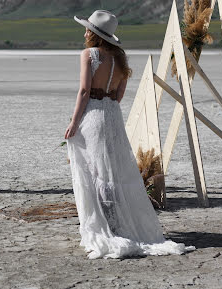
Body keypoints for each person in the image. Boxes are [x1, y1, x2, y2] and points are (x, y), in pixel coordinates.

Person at [65, 10, 195, 259]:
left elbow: (83, 91)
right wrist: (107, 105)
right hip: (112, 115)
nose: (84, 33)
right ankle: (118, 223)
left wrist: (74, 122)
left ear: (95, 35)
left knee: (96, 171)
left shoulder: (89, 55)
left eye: (87, 30)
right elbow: (119, 94)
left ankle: (108, 226)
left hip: (93, 113)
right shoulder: (120, 59)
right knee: (113, 169)